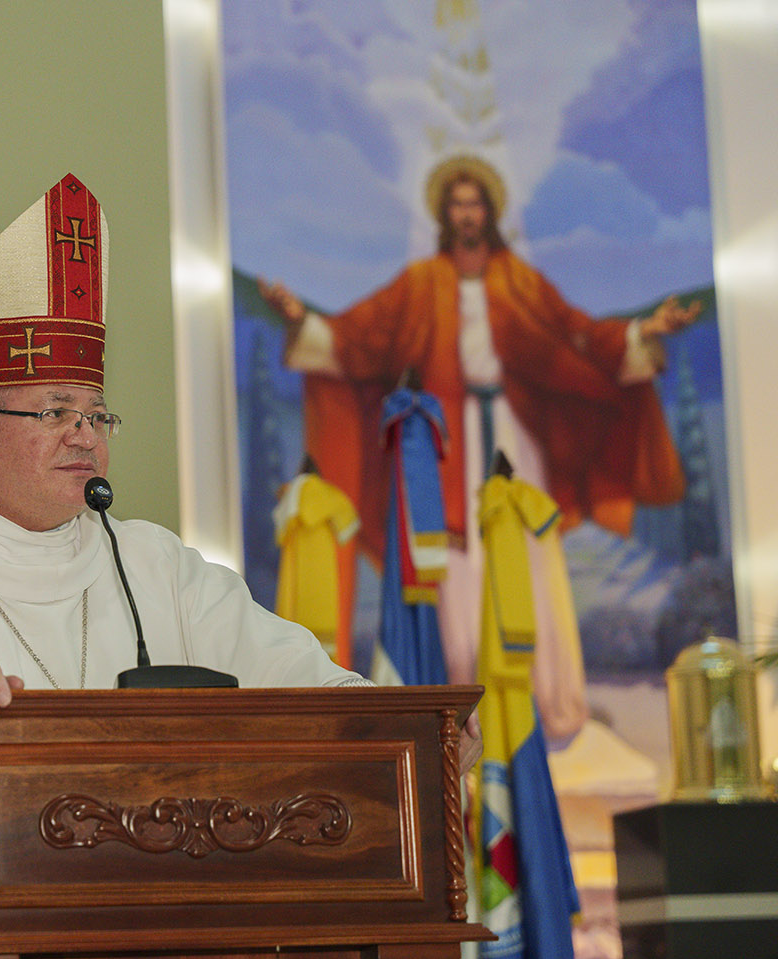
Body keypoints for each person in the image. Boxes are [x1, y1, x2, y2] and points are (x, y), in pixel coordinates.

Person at [0, 173, 480, 959]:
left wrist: (407, 741)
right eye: (55, 413)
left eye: (97, 414)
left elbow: (305, 685)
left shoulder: (157, 570)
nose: (86, 436)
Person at [257, 154, 702, 746]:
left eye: (476, 204)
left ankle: (547, 702)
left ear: (489, 213)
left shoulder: (517, 280)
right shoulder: (421, 284)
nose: (467, 215)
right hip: (444, 451)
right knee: (455, 571)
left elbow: (578, 335)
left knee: (527, 564)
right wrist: (300, 320)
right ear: (445, 214)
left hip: (513, 442)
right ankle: (461, 710)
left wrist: (641, 333)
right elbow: (362, 339)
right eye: (457, 204)